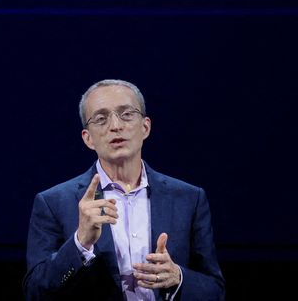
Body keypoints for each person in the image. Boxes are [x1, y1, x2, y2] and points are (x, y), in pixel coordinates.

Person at [23, 79, 224, 300]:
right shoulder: (53, 203)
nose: (115, 125)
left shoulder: (189, 198)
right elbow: (35, 292)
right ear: (88, 138)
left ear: (145, 127)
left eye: (126, 114)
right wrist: (80, 242)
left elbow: (215, 290)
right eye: (101, 119)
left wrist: (178, 278)